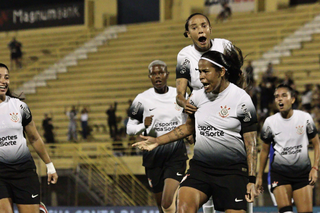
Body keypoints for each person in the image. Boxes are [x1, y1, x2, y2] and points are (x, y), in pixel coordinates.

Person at [133, 45, 260, 212]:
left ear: (221, 72)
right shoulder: (197, 97)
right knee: (183, 205)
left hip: (232, 171)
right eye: (199, 72)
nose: (201, 77)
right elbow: (187, 129)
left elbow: (251, 143)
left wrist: (251, 179)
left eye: (205, 72)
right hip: (201, 168)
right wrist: (157, 141)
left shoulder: (241, 99)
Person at [175, 12, 232, 213]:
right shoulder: (184, 56)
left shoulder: (226, 46)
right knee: (206, 168)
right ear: (188, 33)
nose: (200, 29)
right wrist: (185, 107)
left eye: (204, 25)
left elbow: (239, 79)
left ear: (210, 28)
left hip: (228, 114)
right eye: (194, 27)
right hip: (202, 118)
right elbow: (180, 94)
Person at [127, 60, 188, 213]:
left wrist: (189, 133)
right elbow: (129, 128)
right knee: (162, 207)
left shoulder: (179, 95)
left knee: (168, 202)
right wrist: (143, 126)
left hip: (176, 155)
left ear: (167, 74)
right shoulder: (141, 99)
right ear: (150, 77)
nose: (158, 76)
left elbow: (189, 119)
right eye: (154, 74)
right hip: (152, 158)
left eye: (160, 72)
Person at [0, 63, 58, 213]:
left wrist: (49, 165)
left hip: (23, 171)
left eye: (6, 77)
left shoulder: (19, 107)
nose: (3, 81)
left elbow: (34, 138)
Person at [256, 84, 320, 213]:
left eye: (284, 95)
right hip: (280, 174)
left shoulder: (305, 118)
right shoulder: (270, 122)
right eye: (277, 97)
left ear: (293, 99)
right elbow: (264, 151)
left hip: (302, 173)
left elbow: (317, 144)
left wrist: (315, 168)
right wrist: (259, 177)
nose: (280, 99)